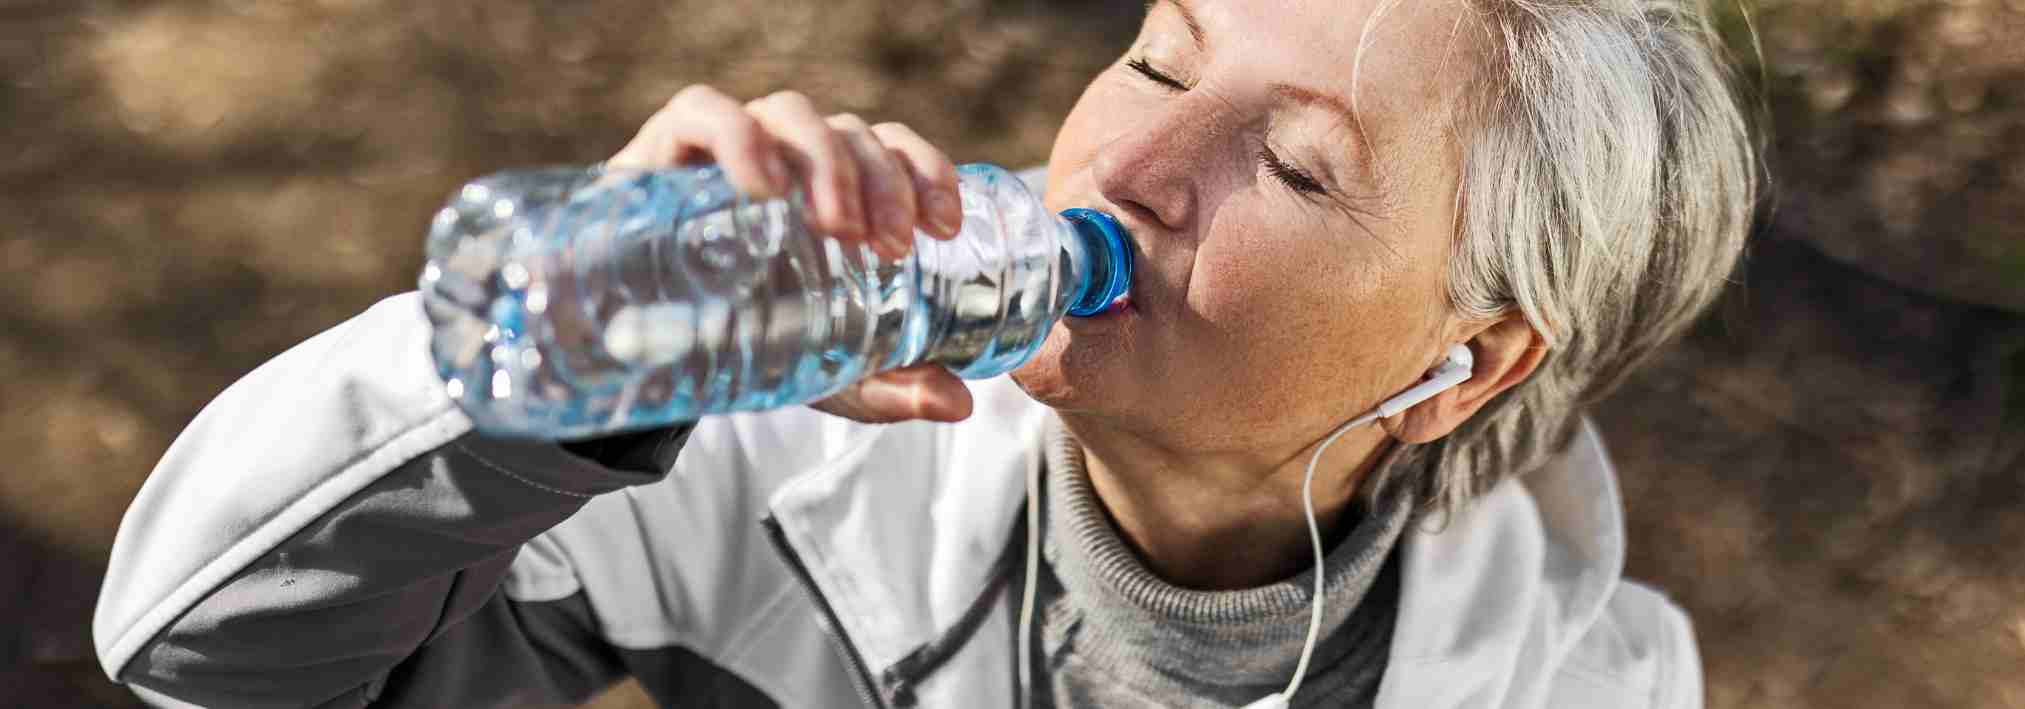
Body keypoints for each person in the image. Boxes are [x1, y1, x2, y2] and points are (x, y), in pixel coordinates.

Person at [93, 0, 1754, 707]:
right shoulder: (765, 450)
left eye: (1302, 164)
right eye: (1162, 61)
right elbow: (203, 657)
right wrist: (543, 375)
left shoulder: (1594, 689)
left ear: (1464, 366)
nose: (1125, 173)